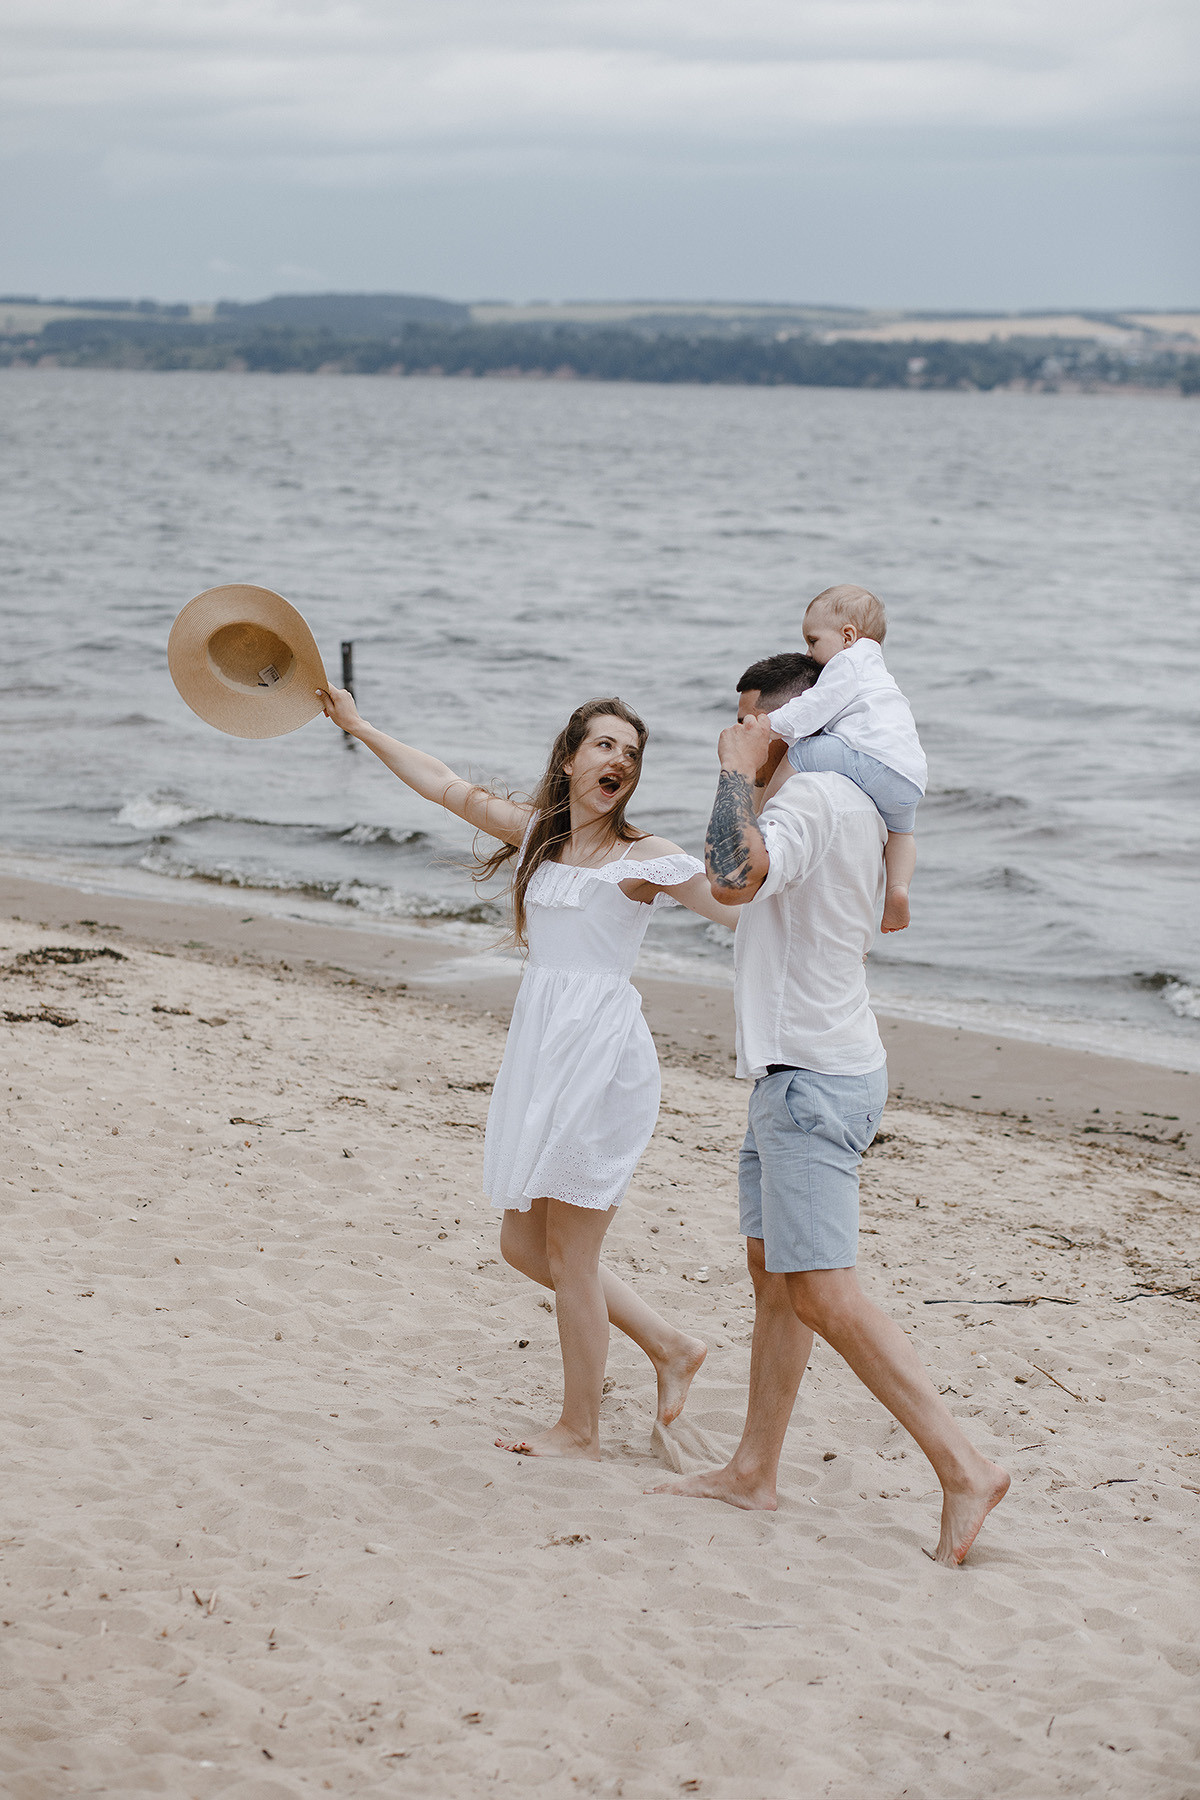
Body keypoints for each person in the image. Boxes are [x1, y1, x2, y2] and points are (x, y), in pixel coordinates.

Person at [652, 653, 1008, 1566]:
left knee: (820, 1289)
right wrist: (660, 874)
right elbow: (752, 904)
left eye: (749, 721)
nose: (737, 736)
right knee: (775, 1276)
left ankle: (964, 1465)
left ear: (792, 723)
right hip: (809, 1071)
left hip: (811, 1081)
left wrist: (734, 773)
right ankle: (753, 1471)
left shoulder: (807, 800)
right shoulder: (848, 808)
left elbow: (737, 876)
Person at [317, 683, 735, 1460]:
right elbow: (444, 785)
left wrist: (762, 807)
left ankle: (580, 1428)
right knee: (522, 1244)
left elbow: (736, 906)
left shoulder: (645, 859)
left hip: (601, 1062)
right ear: (572, 758)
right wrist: (360, 724)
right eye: (606, 745)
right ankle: (671, 1345)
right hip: (542, 1054)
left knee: (573, 1255)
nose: (620, 760)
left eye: (633, 753)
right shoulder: (541, 838)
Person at [767, 585, 925, 932]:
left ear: (848, 635)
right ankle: (898, 891)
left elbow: (815, 706)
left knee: (800, 754)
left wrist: (769, 726)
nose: (809, 653)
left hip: (868, 755)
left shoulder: (849, 661)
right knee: (901, 834)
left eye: (813, 641)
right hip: (908, 777)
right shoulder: (879, 672)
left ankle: (765, 819)